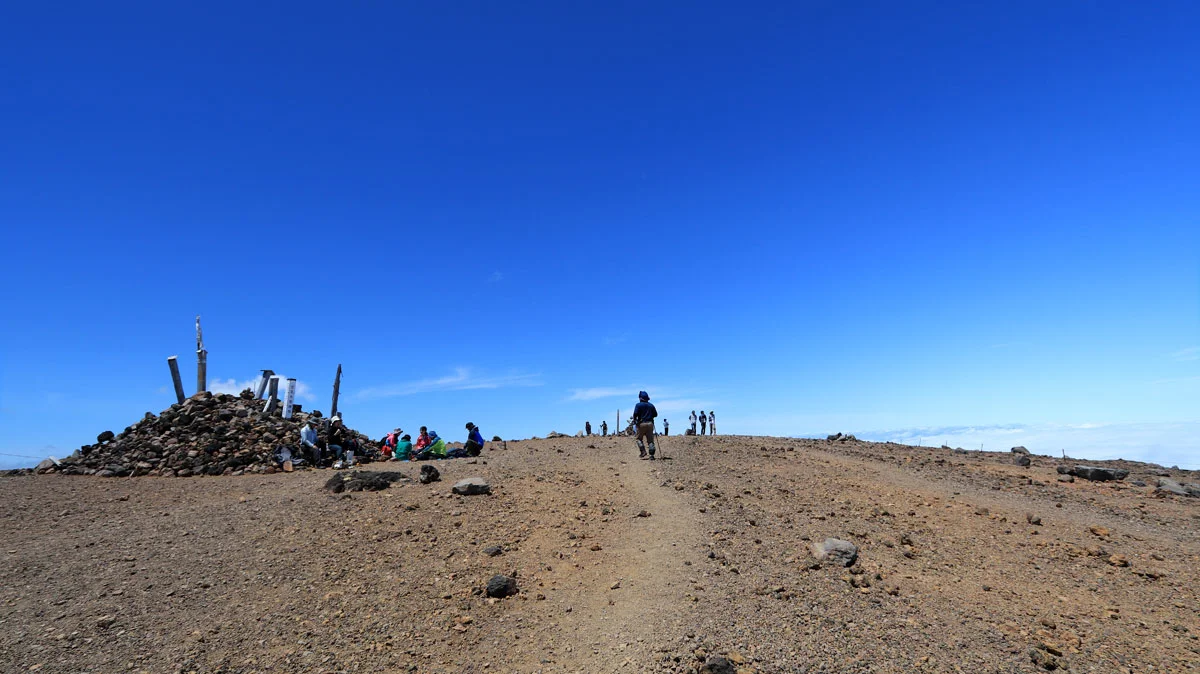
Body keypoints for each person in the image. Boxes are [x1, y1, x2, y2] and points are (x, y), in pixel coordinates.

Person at [633, 391, 658, 460]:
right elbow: (655, 414)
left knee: (638, 439)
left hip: (641, 424)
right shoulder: (651, 405)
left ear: (640, 398)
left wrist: (635, 420)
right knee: (650, 440)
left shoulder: (638, 405)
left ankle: (643, 451)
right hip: (650, 424)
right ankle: (652, 455)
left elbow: (635, 414)